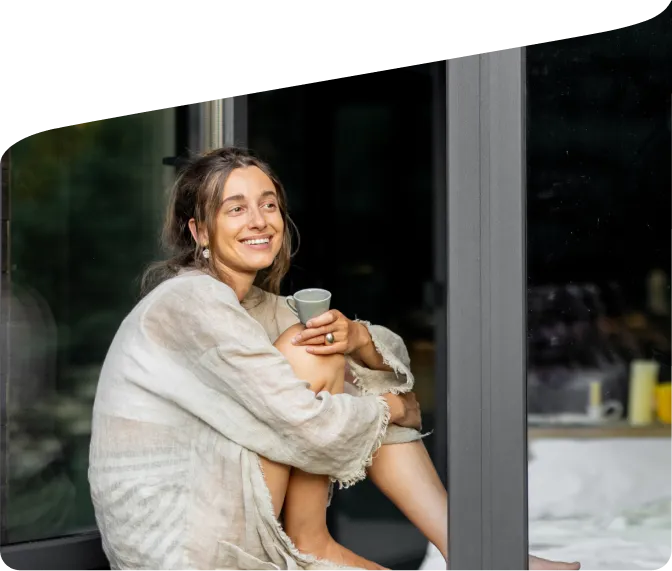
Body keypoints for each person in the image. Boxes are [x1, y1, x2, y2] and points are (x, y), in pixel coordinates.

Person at [88, 146, 580, 571]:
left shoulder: (252, 304)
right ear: (199, 231)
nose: (259, 221)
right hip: (180, 541)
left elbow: (373, 372)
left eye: (269, 205)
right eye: (235, 209)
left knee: (328, 348)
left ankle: (469, 554)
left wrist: (358, 337)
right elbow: (306, 422)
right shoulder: (191, 302)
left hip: (215, 508)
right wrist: (393, 408)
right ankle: (321, 543)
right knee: (312, 353)